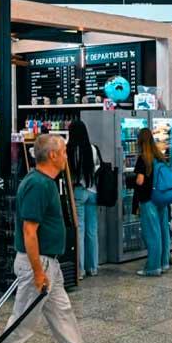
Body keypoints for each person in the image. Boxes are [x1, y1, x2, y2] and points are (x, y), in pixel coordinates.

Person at [0, 134, 112, 343]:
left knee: (63, 314)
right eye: (64, 151)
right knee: (22, 322)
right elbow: (29, 231)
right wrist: (37, 272)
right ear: (52, 155)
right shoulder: (38, 185)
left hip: (48, 263)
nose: (66, 156)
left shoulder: (46, 182)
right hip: (38, 264)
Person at [133, 128, 171, 277]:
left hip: (148, 200)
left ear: (140, 141)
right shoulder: (159, 156)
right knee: (163, 231)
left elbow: (140, 181)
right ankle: (164, 263)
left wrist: (132, 181)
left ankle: (153, 267)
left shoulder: (143, 158)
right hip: (161, 198)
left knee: (152, 233)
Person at [67, 119, 101, 278]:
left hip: (78, 192)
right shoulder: (93, 149)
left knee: (79, 230)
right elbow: (97, 168)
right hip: (93, 191)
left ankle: (79, 270)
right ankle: (93, 267)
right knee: (92, 231)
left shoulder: (70, 150)